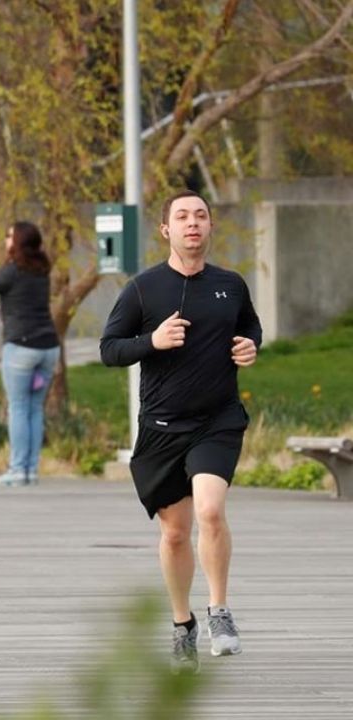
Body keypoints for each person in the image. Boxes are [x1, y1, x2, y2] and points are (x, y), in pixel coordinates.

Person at [100, 189, 261, 673]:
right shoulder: (143, 289)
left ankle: (219, 611)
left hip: (217, 421)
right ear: (166, 229)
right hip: (162, 427)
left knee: (210, 511)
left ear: (210, 226)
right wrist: (152, 340)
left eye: (201, 216)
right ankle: (182, 623)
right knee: (174, 534)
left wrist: (250, 346)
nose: (193, 223)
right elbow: (110, 349)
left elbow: (250, 327)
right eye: (183, 216)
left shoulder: (230, 285)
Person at [0, 221, 61, 487]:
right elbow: (25, 304)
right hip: (48, 349)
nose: (6, 239)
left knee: (18, 407)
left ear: (18, 241)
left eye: (10, 236)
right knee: (35, 408)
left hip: (21, 349)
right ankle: (31, 470)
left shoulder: (12, 270)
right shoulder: (42, 269)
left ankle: (18, 469)